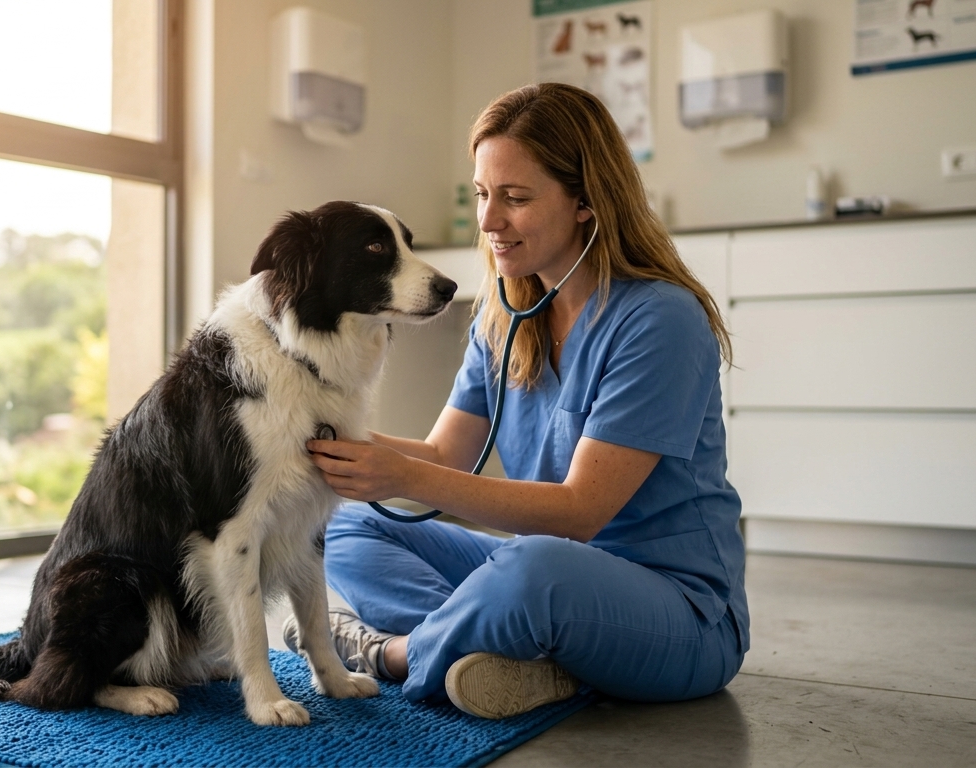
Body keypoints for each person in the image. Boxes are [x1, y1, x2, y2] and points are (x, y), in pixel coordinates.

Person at [288, 82, 748, 720]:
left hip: (682, 614)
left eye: (515, 197)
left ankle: (392, 655)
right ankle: (510, 652)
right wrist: (311, 430)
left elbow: (582, 513)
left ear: (586, 199)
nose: (487, 220)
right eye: (482, 193)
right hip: (545, 568)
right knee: (346, 523)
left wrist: (397, 472)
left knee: (536, 570)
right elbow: (445, 455)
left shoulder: (660, 318)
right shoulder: (505, 316)